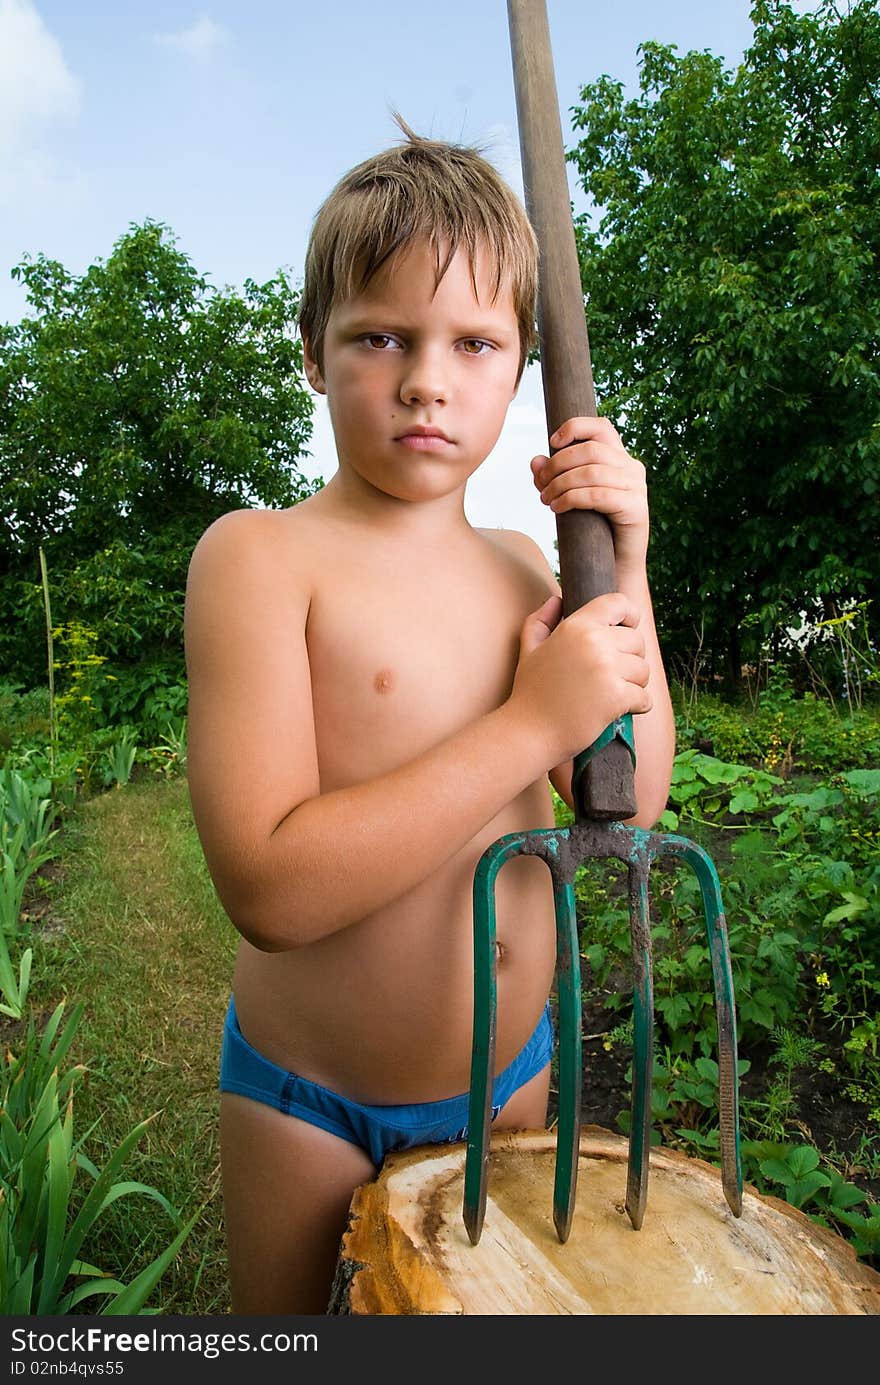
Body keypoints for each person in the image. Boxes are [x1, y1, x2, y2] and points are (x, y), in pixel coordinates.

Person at [184, 117, 675, 1315]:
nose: (425, 378)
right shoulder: (261, 558)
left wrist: (629, 568)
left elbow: (632, 795)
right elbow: (272, 888)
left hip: (506, 1077)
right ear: (312, 351)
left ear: (518, 368)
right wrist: (523, 723)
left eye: (474, 341)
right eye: (380, 336)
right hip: (310, 1099)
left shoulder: (525, 566)